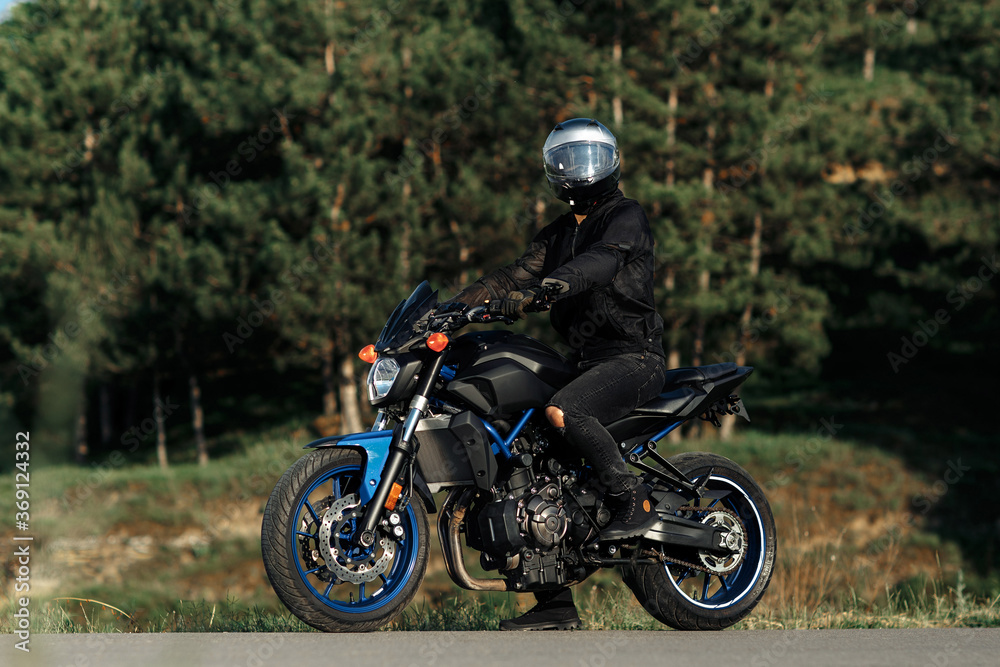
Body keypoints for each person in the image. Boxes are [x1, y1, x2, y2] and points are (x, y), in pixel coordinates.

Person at [442, 118, 667, 631]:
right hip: (583, 364)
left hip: (632, 360)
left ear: (608, 160)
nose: (579, 167)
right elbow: (511, 276)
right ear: (554, 169)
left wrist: (552, 287)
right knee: (523, 461)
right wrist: (454, 310)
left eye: (587, 156)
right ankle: (555, 604)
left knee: (566, 411)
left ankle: (631, 498)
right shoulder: (560, 232)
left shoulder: (624, 216)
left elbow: (602, 263)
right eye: (568, 158)